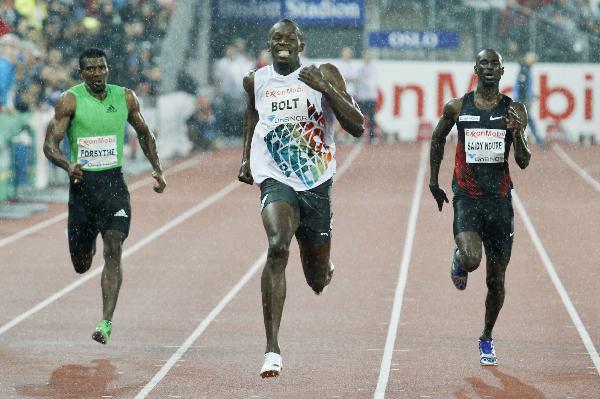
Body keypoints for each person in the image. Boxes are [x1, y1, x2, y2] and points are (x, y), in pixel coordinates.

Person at [237, 19, 364, 378]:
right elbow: (252, 112)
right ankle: (272, 349)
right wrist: (246, 157)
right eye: (276, 38)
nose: (282, 44)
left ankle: (325, 267)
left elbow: (357, 126)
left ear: (301, 42)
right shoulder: (256, 80)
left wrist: (325, 88)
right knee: (277, 246)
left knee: (317, 281)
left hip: (316, 183)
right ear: (268, 43)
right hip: (275, 179)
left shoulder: (323, 72)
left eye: (289, 38)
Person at [43, 48, 166, 345]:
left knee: (114, 247)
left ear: (108, 69)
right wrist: (68, 165)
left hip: (113, 186)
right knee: (82, 264)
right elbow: (50, 144)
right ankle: (77, 238)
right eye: (91, 69)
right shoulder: (69, 100)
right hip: (82, 188)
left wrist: (158, 169)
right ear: (81, 73)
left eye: (102, 68)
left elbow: (145, 133)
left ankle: (106, 322)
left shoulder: (125, 97)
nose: (98, 73)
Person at [428, 49, 531, 366]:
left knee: (496, 280)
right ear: (476, 69)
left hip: (500, 202)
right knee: (473, 260)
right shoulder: (458, 107)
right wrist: (434, 182)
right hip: (467, 197)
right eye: (483, 63)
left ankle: (486, 337)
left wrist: (518, 135)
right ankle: (459, 258)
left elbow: (524, 162)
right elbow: (436, 139)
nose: (488, 68)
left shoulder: (514, 109)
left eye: (494, 64)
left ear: (501, 71)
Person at [514, 51, 543, 146]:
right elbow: (522, 87)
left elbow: (523, 86)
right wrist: (526, 98)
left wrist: (531, 96)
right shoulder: (524, 71)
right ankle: (538, 140)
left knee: (523, 121)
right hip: (522, 100)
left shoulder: (524, 70)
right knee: (526, 120)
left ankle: (516, 141)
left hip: (522, 99)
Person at [355, 49, 378, 142]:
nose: (367, 57)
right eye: (366, 55)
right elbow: (358, 80)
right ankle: (359, 135)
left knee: (372, 117)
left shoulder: (374, 67)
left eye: (369, 55)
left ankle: (372, 136)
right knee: (360, 118)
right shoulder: (360, 67)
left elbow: (373, 80)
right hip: (362, 96)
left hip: (371, 96)